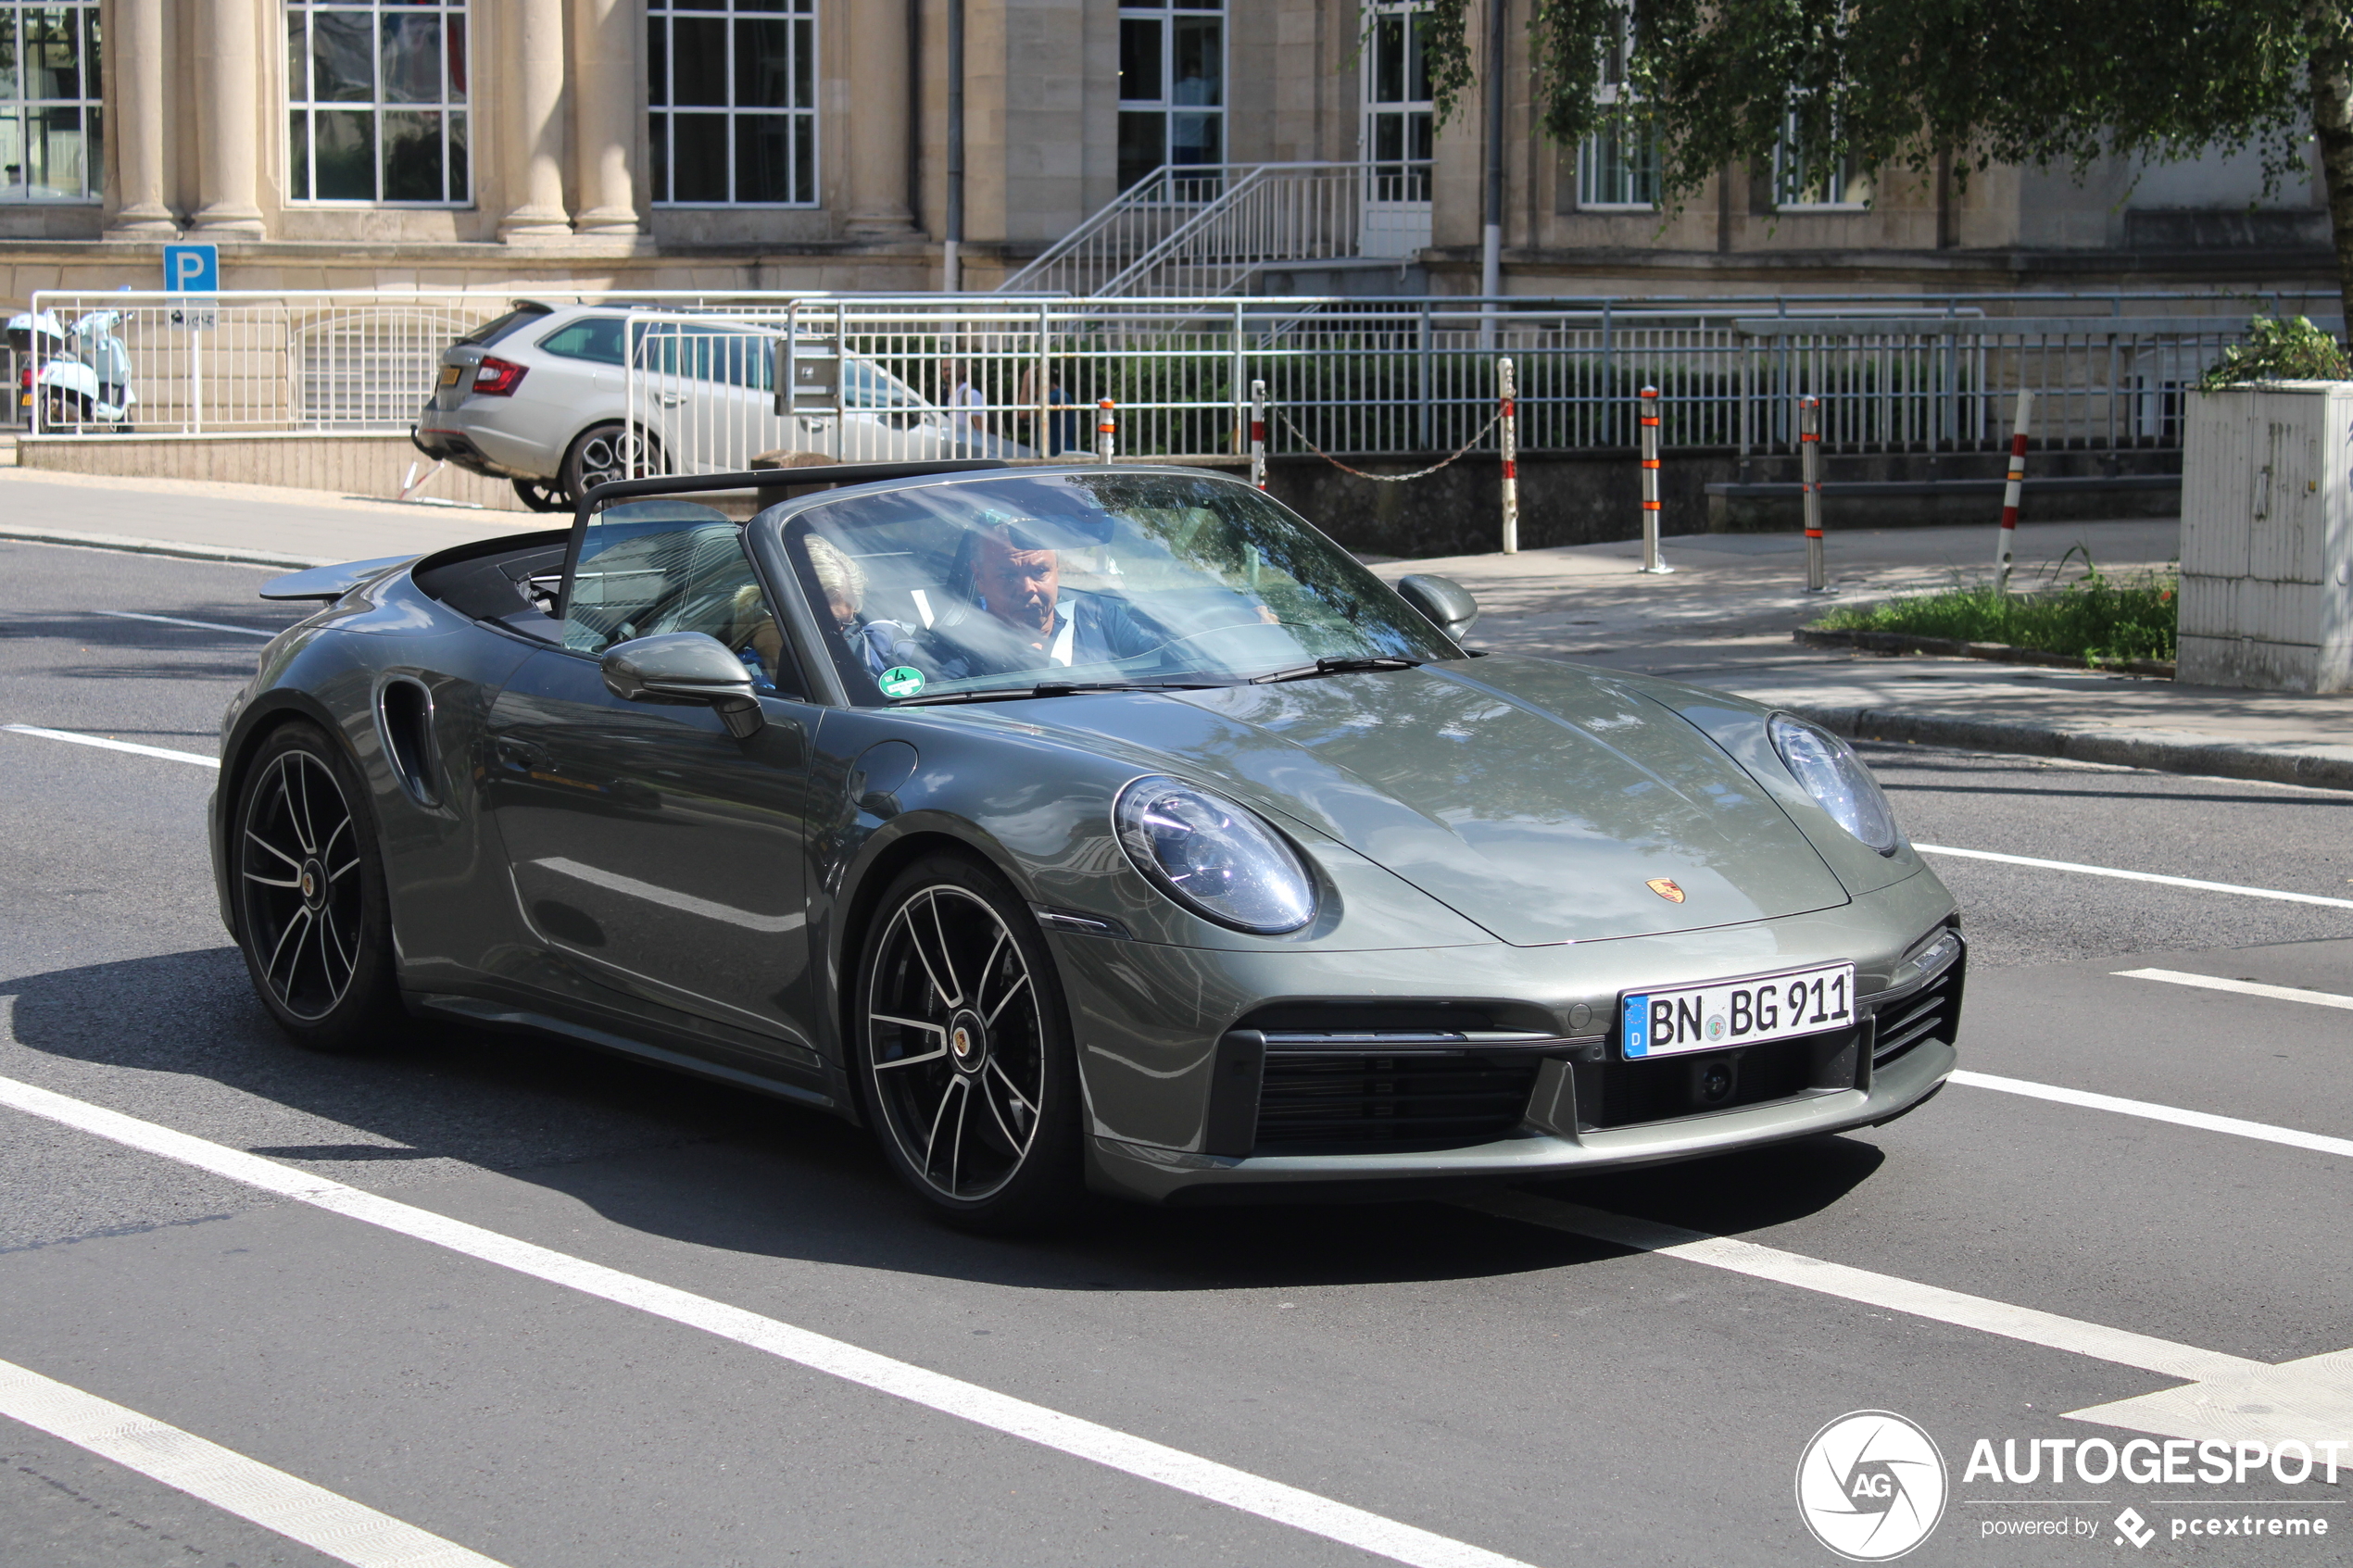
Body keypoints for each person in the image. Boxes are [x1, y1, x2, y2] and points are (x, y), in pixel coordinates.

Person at [963, 521, 1163, 669]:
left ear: (1057, 569)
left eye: (1040, 571)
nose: (1027, 588)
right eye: (1008, 575)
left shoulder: (1098, 618)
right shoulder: (957, 649)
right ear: (979, 577)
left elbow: (1170, 661)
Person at [804, 533, 913, 677]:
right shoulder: (768, 673)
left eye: (851, 620)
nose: (846, 635)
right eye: (835, 623)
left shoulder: (873, 644)